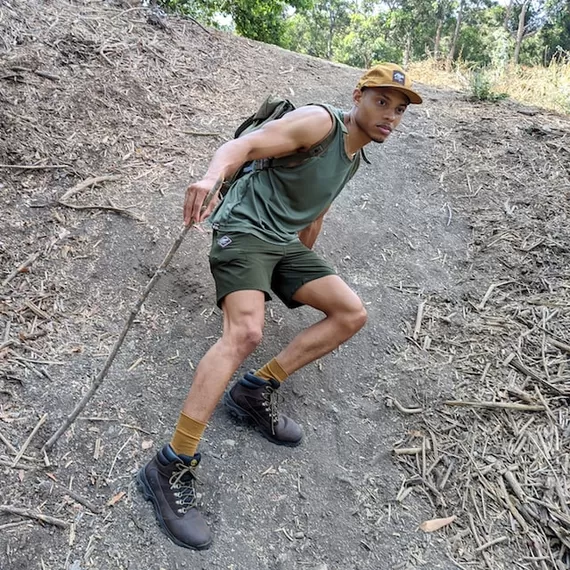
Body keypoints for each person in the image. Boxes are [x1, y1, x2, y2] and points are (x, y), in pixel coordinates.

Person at [137, 63, 423, 550]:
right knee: (245, 332)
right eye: (381, 102)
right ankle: (170, 464)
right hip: (243, 231)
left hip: (281, 244)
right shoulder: (320, 123)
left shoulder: (353, 156)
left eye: (398, 110)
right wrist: (210, 179)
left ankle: (253, 390)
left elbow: (314, 211)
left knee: (351, 313)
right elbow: (244, 146)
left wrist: (302, 261)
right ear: (358, 97)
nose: (389, 116)